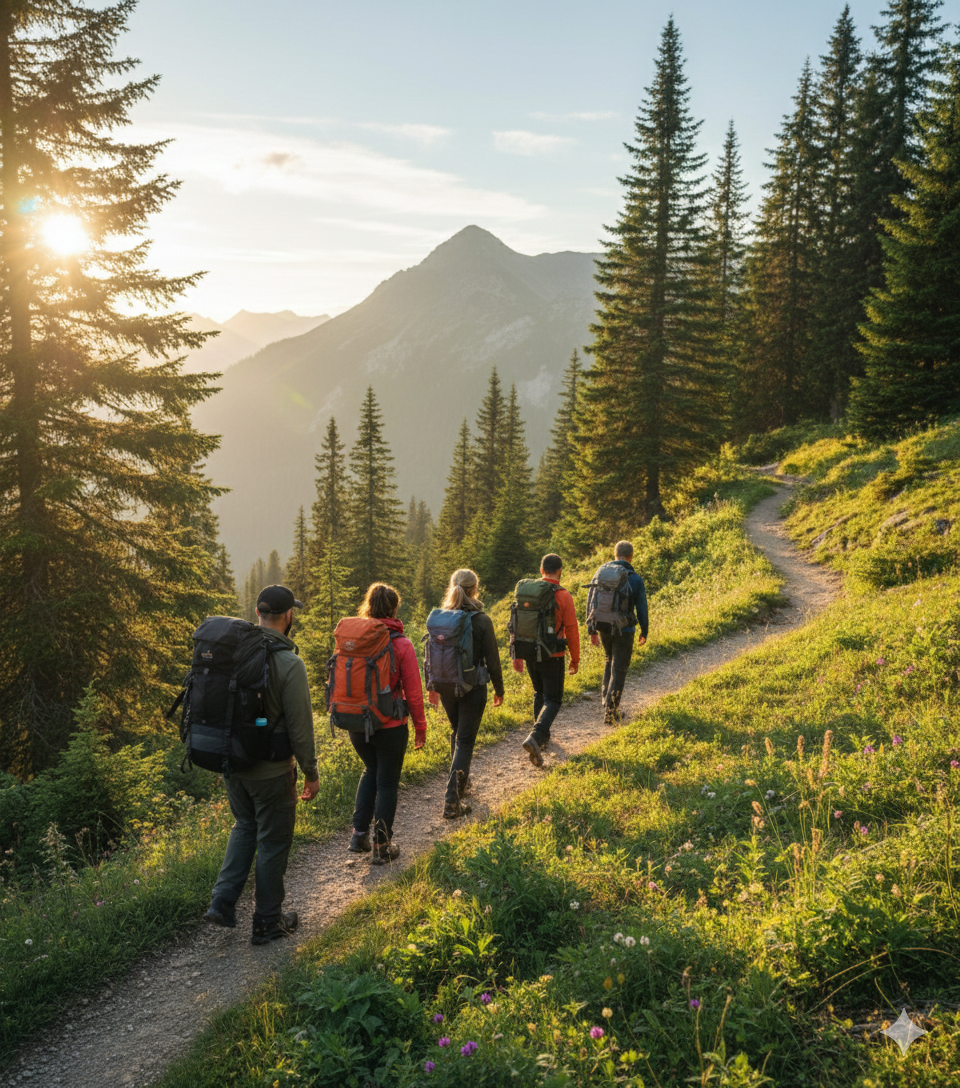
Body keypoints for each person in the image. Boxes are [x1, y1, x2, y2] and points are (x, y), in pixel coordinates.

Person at [204, 584, 320, 945]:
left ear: (258, 614)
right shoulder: (289, 663)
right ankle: (268, 921)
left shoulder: (232, 652)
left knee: (245, 825)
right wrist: (310, 772)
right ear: (288, 617)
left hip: (232, 764)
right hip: (271, 771)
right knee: (272, 841)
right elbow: (301, 729)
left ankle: (222, 902)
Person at [347, 582, 426, 864]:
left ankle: (359, 835)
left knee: (370, 770)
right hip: (390, 725)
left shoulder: (355, 639)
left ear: (368, 607)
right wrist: (420, 726)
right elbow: (413, 692)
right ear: (394, 609)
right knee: (387, 782)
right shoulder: (401, 644)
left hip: (357, 723)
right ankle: (382, 846)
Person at [427, 568, 505, 819]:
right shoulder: (481, 620)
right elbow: (492, 659)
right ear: (475, 589)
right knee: (465, 740)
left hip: (446, 685)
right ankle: (452, 797)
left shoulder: (442, 618)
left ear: (452, 588)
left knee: (458, 733)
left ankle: (461, 784)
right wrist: (499, 689)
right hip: (472, 688)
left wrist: (432, 687)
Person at [513, 553, 580, 768]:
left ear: (541, 571)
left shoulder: (529, 594)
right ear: (560, 570)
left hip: (530, 651)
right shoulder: (563, 596)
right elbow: (571, 629)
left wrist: (516, 654)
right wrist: (575, 657)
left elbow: (515, 624)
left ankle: (541, 739)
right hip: (553, 654)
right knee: (553, 699)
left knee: (539, 693)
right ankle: (536, 737)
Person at [589, 540, 648, 725]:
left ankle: (607, 701)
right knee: (619, 668)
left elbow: (590, 600)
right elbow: (642, 608)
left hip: (603, 626)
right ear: (631, 556)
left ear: (615, 555)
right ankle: (611, 712)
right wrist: (644, 630)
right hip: (625, 629)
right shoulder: (635, 578)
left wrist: (592, 629)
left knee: (609, 659)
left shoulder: (601, 572)